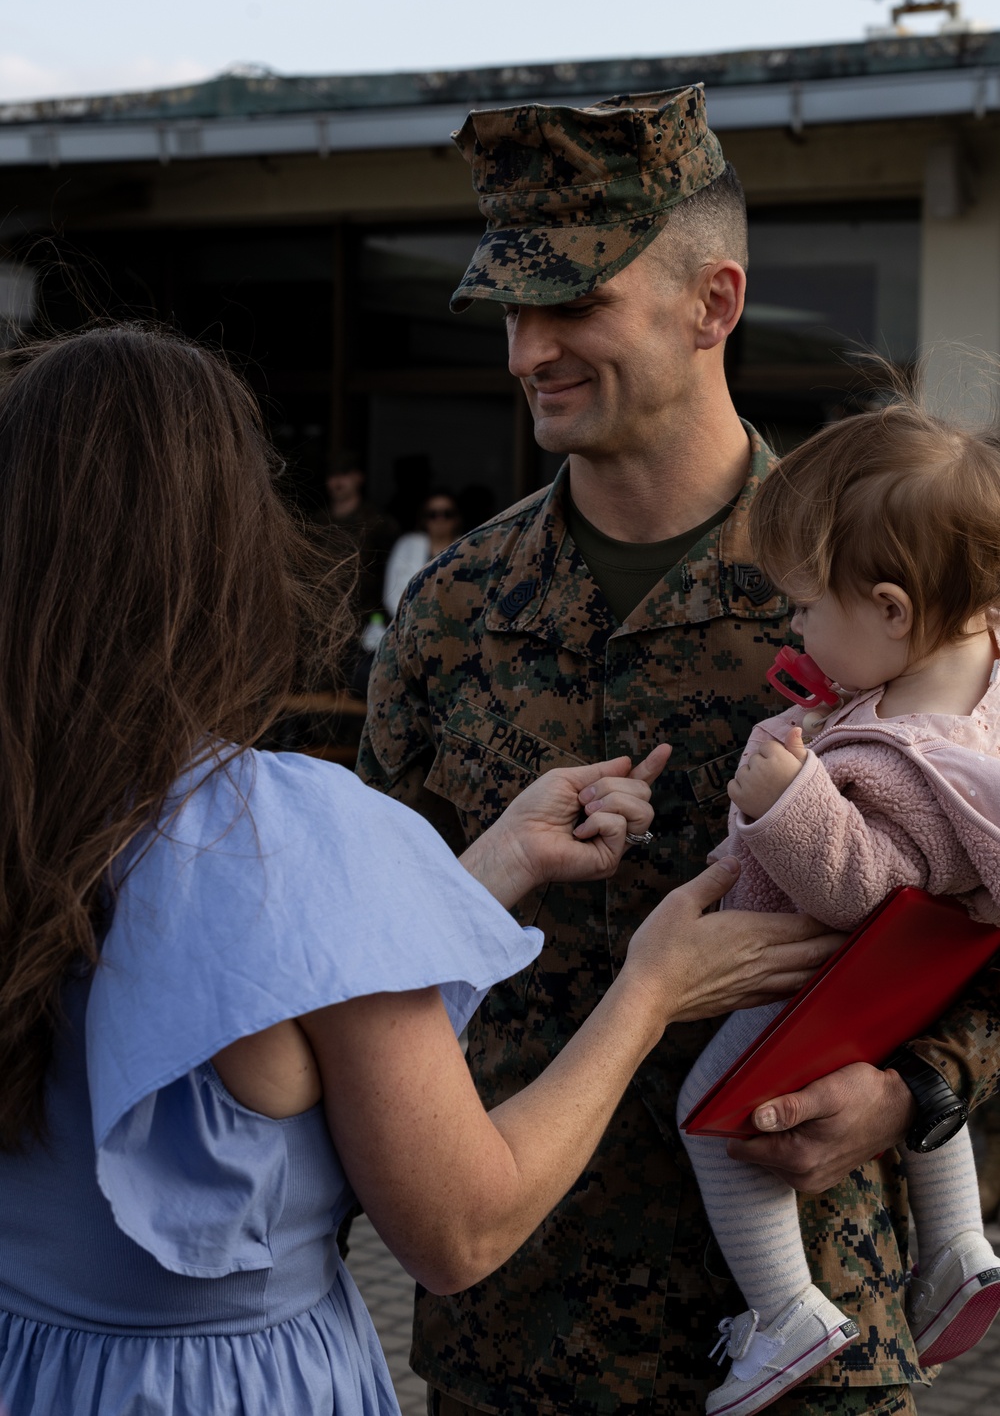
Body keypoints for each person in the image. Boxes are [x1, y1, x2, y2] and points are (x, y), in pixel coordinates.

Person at [0, 324, 835, 1416]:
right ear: (224, 549)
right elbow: (458, 1229)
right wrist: (653, 989)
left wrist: (477, 871)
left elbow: (280, 979)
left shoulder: (47, 811)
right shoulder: (290, 829)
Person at [357, 85, 1000, 1416]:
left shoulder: (891, 584)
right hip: (518, 1333)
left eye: (575, 303)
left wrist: (911, 1097)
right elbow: (365, 955)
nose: (530, 349)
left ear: (715, 303)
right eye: (513, 312)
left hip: (809, 1328)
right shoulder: (456, 608)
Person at [677, 399, 1000, 1416]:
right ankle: (957, 1248)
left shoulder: (915, 763)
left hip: (794, 982)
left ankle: (786, 1312)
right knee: (922, 1106)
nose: (796, 629)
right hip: (890, 998)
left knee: (709, 1119)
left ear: (896, 610)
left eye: (810, 609)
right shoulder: (968, 695)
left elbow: (863, 888)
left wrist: (787, 802)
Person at [315, 450, 399, 689]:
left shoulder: (379, 523)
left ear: (358, 478)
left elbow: (392, 576)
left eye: (345, 475)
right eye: (333, 475)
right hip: (320, 624)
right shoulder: (315, 522)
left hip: (363, 625)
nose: (338, 482)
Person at [384, 490, 463, 618]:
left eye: (447, 514)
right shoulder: (407, 544)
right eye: (433, 514)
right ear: (423, 518)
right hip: (409, 627)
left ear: (457, 518)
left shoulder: (469, 547)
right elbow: (393, 594)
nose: (440, 519)